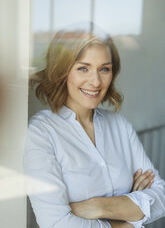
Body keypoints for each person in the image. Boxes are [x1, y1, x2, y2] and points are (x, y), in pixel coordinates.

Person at [24, 28, 165, 228]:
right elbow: (55, 223)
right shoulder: (41, 133)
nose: (96, 81)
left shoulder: (119, 125)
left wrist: (96, 206)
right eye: (83, 68)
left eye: (104, 69)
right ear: (62, 71)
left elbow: (161, 197)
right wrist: (129, 217)